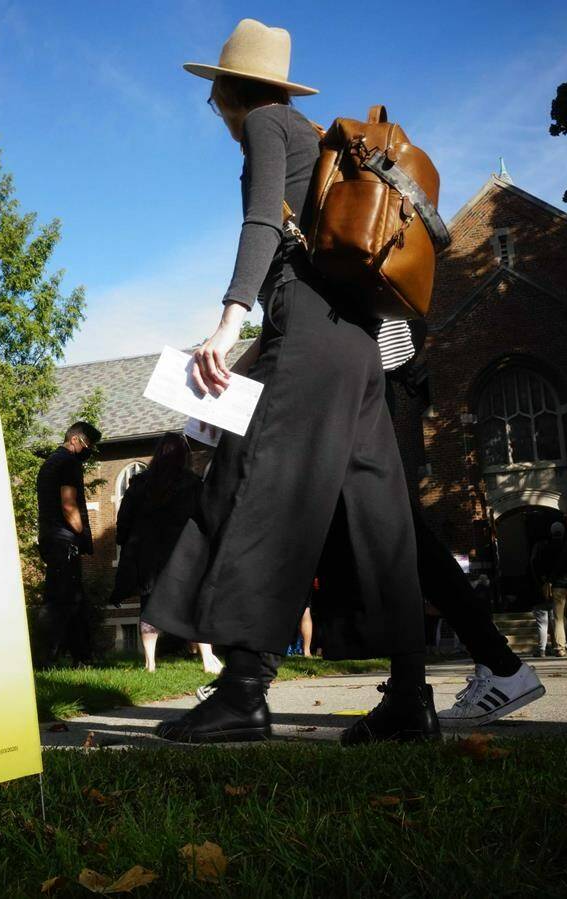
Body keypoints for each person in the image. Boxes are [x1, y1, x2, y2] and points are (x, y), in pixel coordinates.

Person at [145, 19, 436, 745]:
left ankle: (244, 691)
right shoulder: (313, 131)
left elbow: (260, 224)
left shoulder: (268, 125)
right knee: (379, 515)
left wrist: (226, 323)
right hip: (357, 341)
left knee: (257, 485)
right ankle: (409, 697)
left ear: (225, 93)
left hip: (306, 329)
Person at [381, 319, 545, 725]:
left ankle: (246, 682)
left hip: (350, 374)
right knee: (395, 532)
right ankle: (419, 689)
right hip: (353, 373)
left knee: (396, 531)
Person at [110, 433, 222, 673]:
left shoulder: (139, 484)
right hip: (182, 554)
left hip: (147, 554)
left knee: (149, 606)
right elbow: (206, 520)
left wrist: (125, 543)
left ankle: (150, 663)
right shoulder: (192, 484)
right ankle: (207, 659)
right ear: (185, 456)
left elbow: (124, 519)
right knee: (193, 603)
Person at [36, 421, 101, 666]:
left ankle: (82, 658)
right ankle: (45, 660)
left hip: (49, 538)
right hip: (64, 540)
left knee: (74, 599)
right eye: (88, 445)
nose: (89, 451)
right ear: (75, 440)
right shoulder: (68, 463)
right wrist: (82, 534)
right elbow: (68, 504)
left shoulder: (50, 463)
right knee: (60, 601)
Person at [529, 522, 567, 656]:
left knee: (558, 618)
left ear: (552, 532)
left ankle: (560, 648)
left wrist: (546, 580)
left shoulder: (546, 548)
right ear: (563, 532)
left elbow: (540, 567)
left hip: (557, 586)